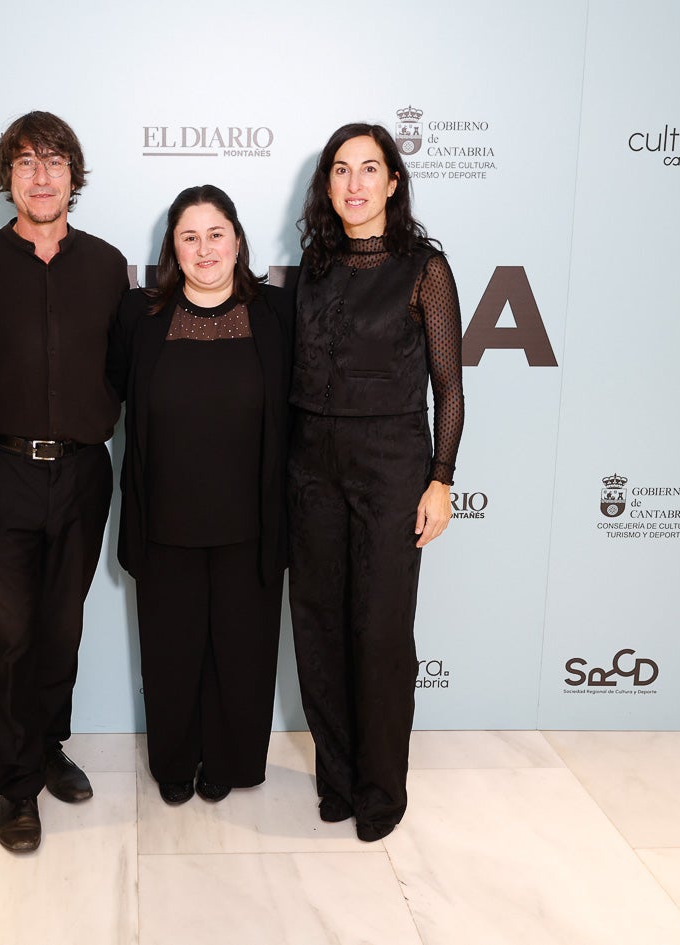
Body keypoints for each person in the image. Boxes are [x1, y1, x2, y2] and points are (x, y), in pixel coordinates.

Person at [0, 111, 129, 853]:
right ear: (7, 178)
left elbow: (120, 367)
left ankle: (49, 745)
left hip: (85, 472)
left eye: (54, 161)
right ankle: (16, 787)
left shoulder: (106, 264)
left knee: (60, 626)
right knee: (11, 635)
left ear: (73, 176)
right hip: (3, 471)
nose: (41, 175)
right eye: (25, 162)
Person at [288, 123, 465, 842]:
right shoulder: (314, 264)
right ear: (326, 185)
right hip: (309, 467)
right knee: (319, 628)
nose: (354, 183)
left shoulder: (425, 268)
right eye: (340, 170)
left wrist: (441, 478)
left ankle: (380, 788)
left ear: (393, 181)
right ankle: (336, 776)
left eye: (369, 168)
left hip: (392, 465)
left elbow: (448, 387)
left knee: (382, 632)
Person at [108, 185, 292, 805]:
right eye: (190, 236)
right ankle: (176, 763)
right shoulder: (141, 316)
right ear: (173, 249)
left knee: (242, 654)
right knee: (170, 655)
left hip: (252, 523)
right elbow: (111, 396)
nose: (205, 248)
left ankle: (231, 762)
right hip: (165, 524)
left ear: (238, 241)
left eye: (216, 234)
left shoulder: (277, 314)